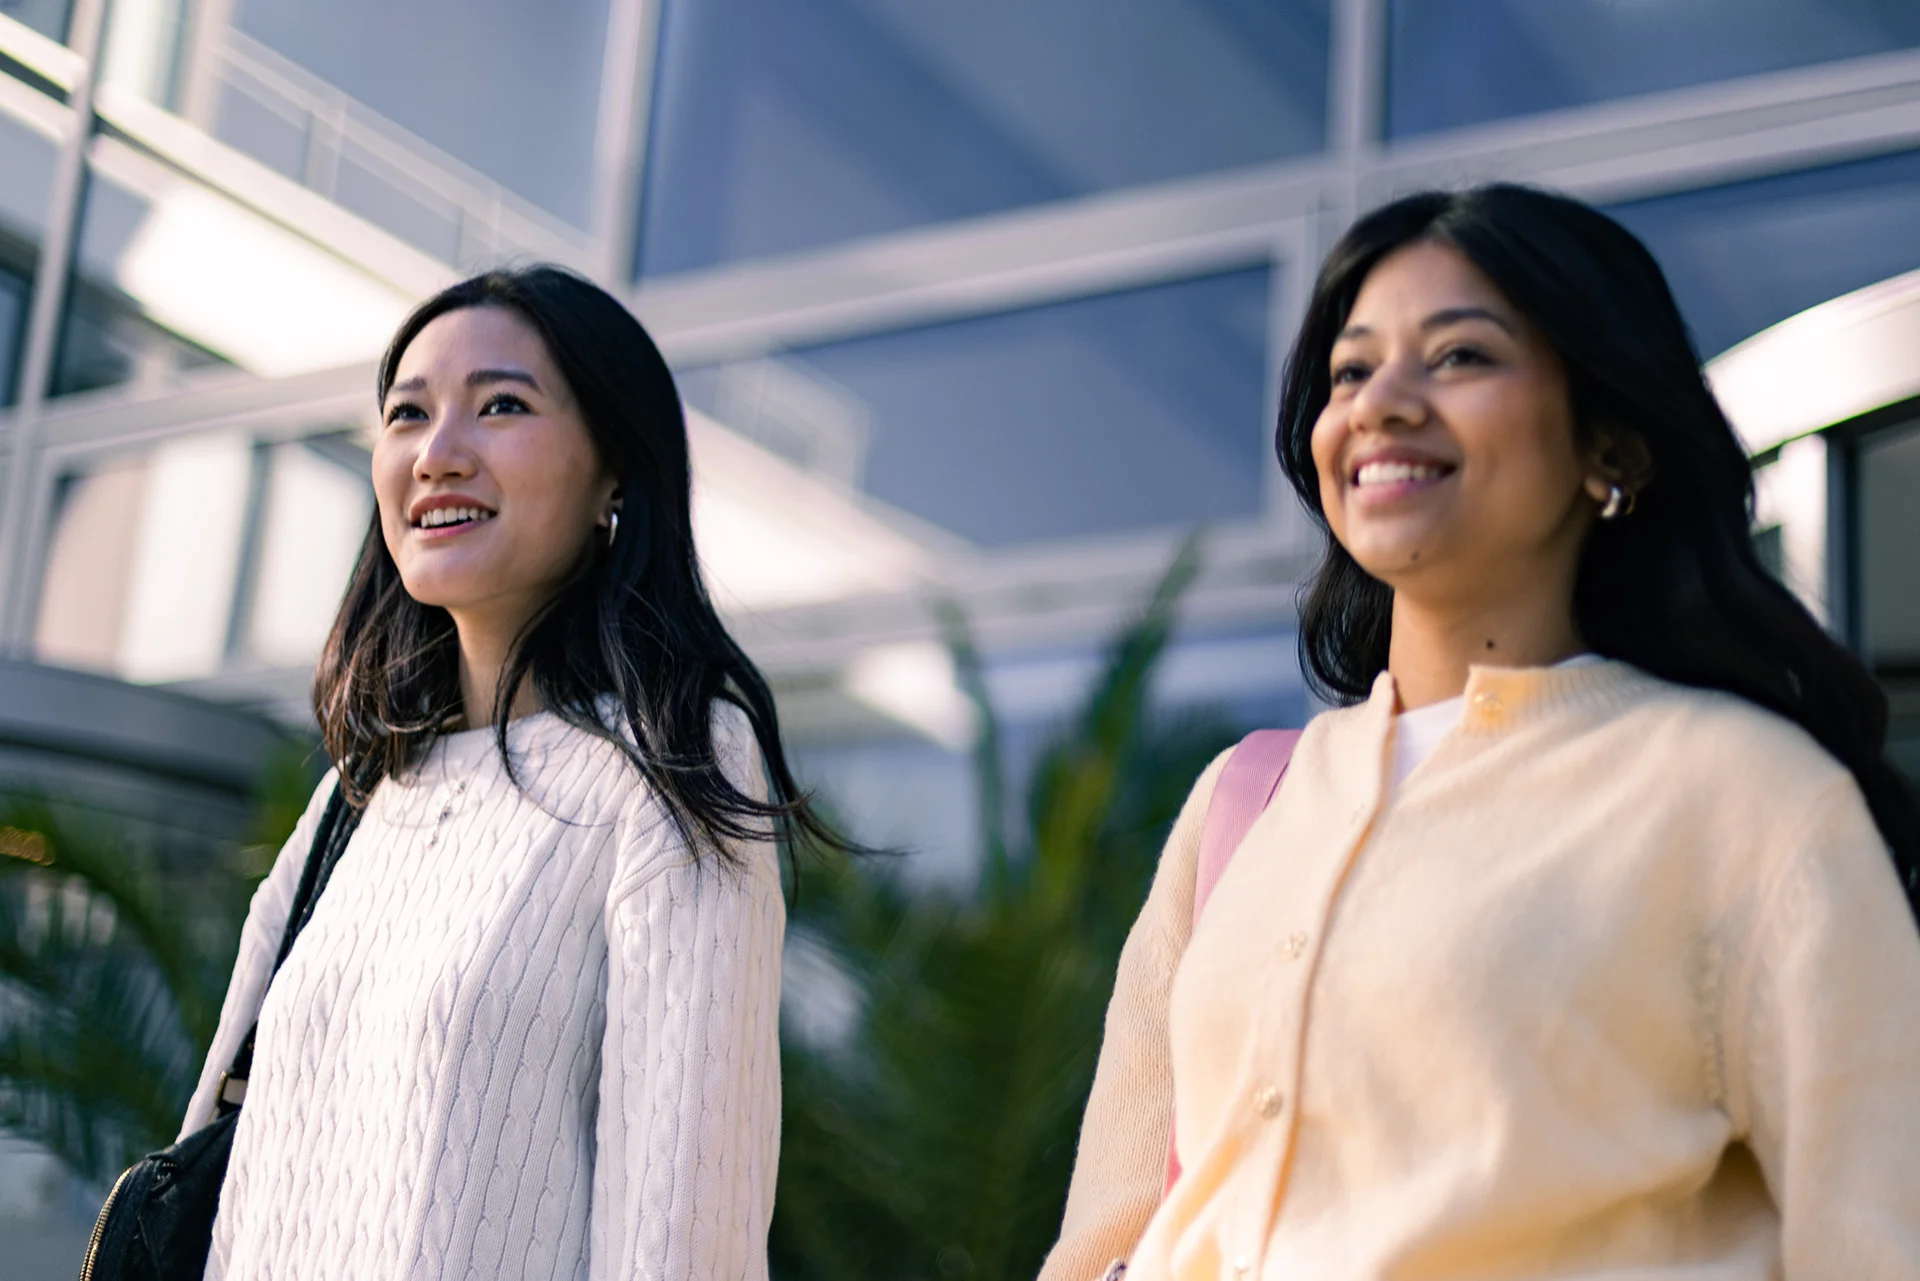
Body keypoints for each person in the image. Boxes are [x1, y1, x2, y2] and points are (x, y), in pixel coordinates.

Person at [1040, 185, 1920, 1281]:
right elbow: (1103, 1245)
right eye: (1352, 369)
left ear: (1613, 447)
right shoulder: (1241, 803)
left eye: (1459, 357)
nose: (1382, 403)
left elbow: (1877, 1242)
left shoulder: (1749, 800)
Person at [179, 266, 834, 1280]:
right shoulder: (352, 801)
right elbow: (218, 1169)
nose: (439, 455)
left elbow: (682, 1237)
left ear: (614, 475)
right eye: (407, 415)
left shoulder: (671, 764)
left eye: (502, 406)